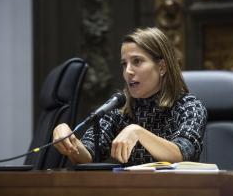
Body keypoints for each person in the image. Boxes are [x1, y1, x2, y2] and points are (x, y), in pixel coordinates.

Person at [53, 27, 207, 165]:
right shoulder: (120, 107)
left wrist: (138, 132)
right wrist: (68, 140)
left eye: (137, 61)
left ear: (161, 67)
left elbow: (182, 153)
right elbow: (88, 155)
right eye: (124, 64)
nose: (128, 72)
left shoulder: (189, 107)